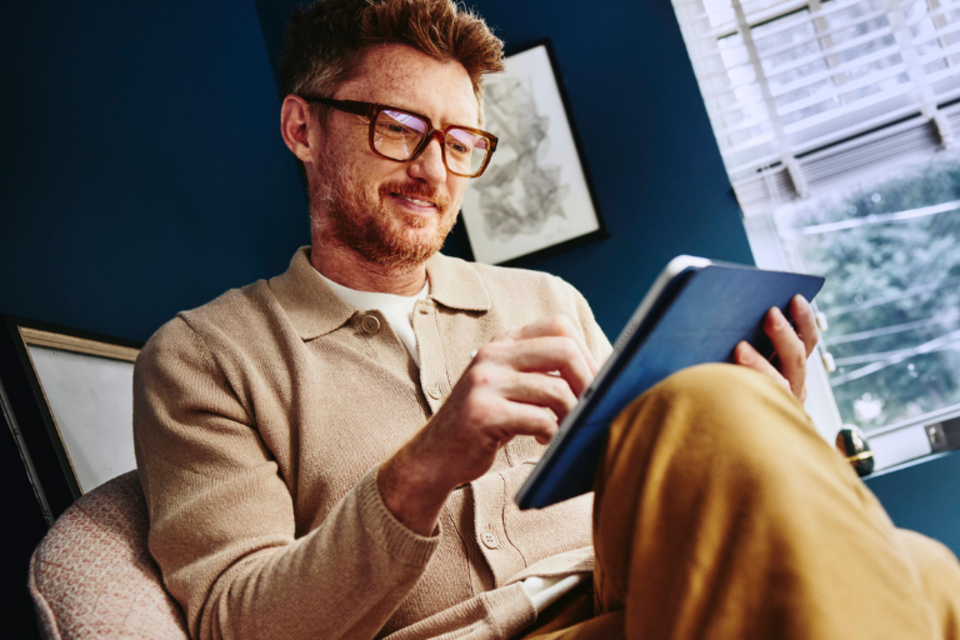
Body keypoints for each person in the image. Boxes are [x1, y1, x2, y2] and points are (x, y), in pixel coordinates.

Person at [132, 1, 960, 639]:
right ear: (301, 127)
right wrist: (421, 470)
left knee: (916, 559)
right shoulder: (202, 357)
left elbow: (656, 482)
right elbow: (235, 622)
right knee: (923, 579)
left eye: (461, 143)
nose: (433, 170)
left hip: (636, 595)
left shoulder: (544, 302)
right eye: (399, 130)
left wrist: (763, 410)